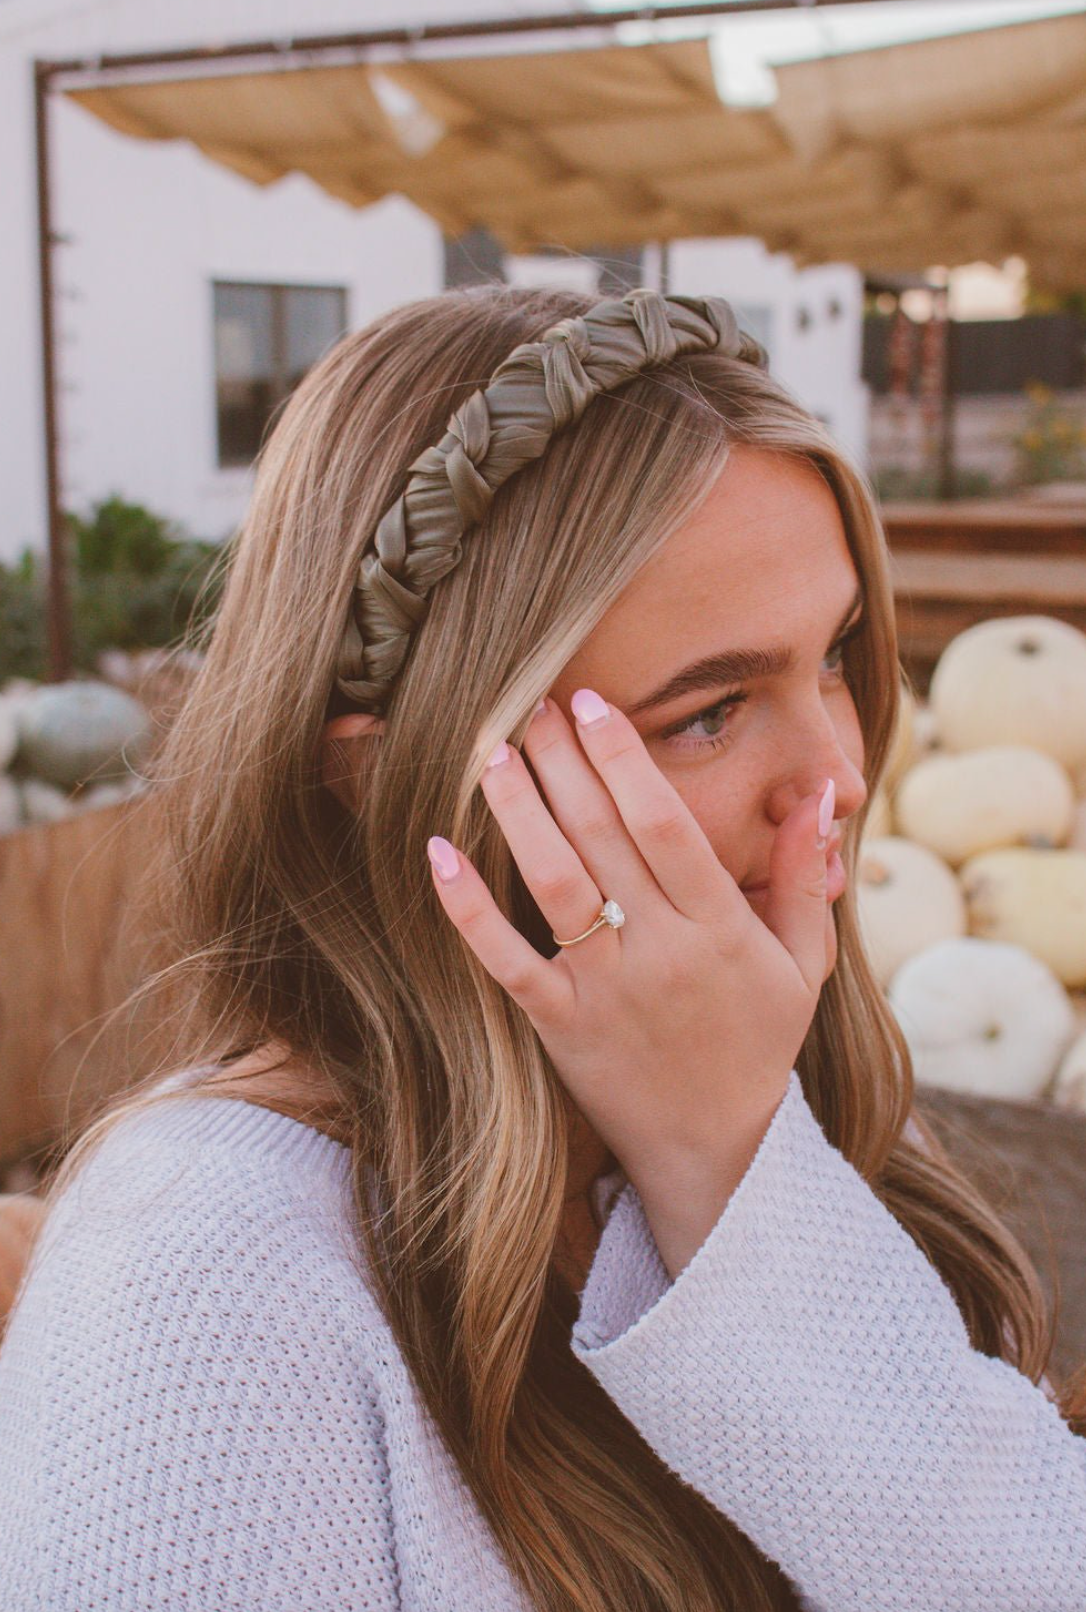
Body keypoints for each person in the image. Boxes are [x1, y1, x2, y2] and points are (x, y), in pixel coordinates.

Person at [0, 285, 1082, 1611]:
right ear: (386, 779)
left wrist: (730, 1171)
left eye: (840, 657)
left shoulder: (779, 1104)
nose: (837, 775)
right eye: (708, 712)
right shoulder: (207, 1283)